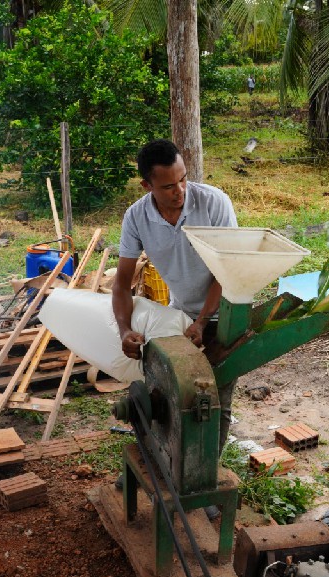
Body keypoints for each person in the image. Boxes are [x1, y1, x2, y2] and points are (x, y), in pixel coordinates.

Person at [112, 138, 238, 448]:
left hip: (226, 312)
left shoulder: (214, 203)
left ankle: (205, 479)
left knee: (214, 398)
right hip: (180, 313)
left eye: (183, 178)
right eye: (168, 186)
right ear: (146, 185)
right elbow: (122, 282)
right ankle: (165, 463)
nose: (180, 190)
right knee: (170, 393)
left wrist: (205, 321)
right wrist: (125, 329)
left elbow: (228, 271)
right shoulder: (136, 217)